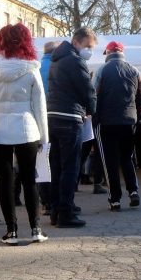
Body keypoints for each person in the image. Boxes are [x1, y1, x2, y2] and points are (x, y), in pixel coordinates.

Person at [0, 24, 49, 244]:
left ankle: (11, 231)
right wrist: (44, 136)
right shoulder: (31, 68)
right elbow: (39, 104)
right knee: (29, 179)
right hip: (27, 127)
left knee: (5, 180)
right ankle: (35, 229)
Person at [46, 27, 98, 228]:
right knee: (70, 167)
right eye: (89, 46)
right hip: (69, 117)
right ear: (78, 42)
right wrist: (92, 110)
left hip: (53, 116)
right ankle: (66, 214)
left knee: (57, 166)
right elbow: (87, 89)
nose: (90, 50)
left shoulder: (56, 60)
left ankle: (56, 211)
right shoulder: (76, 61)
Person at [92, 41, 141, 211]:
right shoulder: (135, 71)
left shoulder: (102, 70)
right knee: (127, 158)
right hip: (129, 121)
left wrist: (94, 119)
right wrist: (137, 119)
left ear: (107, 53)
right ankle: (133, 191)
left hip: (106, 122)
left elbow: (92, 95)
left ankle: (114, 199)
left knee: (110, 162)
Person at [38, 41, 59, 214]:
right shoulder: (58, 67)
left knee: (42, 161)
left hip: (38, 120)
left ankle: (44, 201)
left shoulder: (36, 66)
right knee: (56, 161)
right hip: (55, 117)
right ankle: (55, 200)